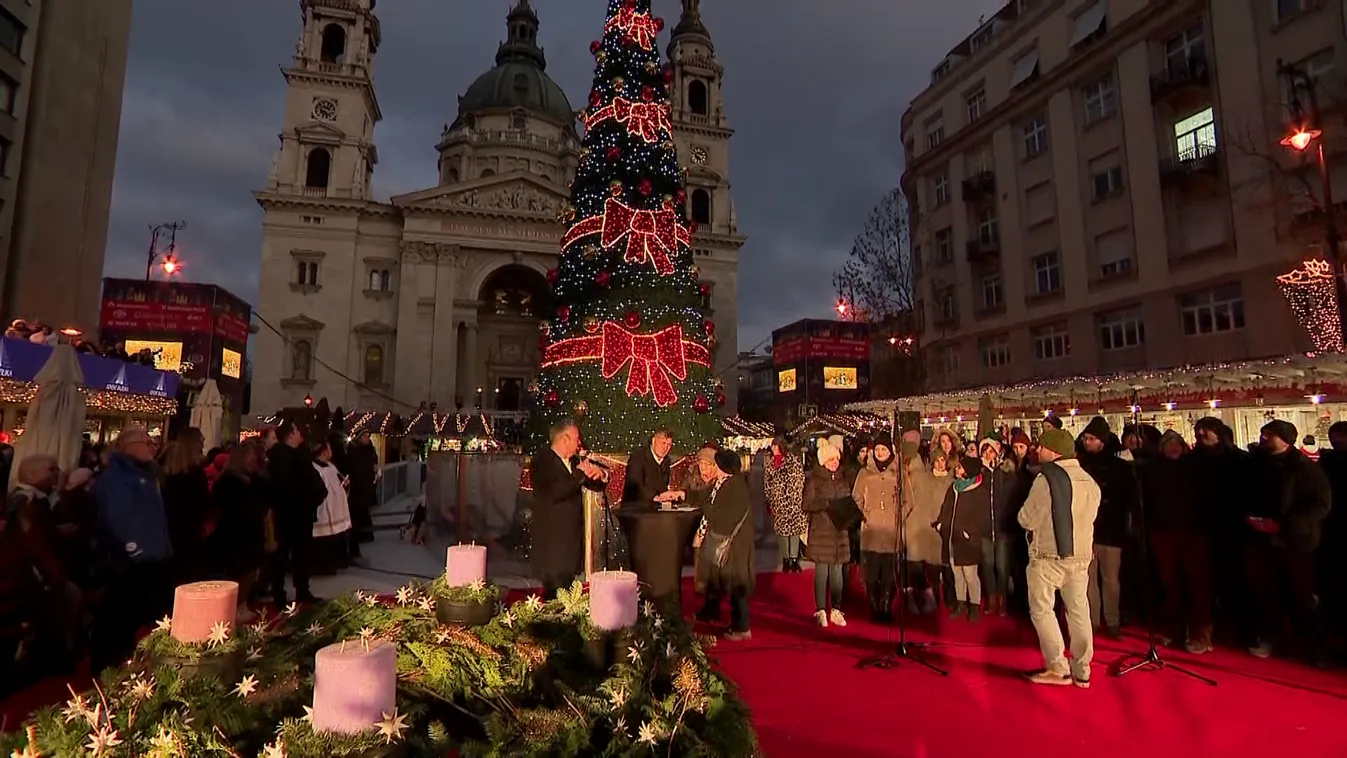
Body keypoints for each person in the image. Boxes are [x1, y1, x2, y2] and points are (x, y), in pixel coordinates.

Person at [1019, 428, 1101, 688]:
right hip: (1081, 556)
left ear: (1053, 451)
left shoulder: (1047, 479)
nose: (1037, 451)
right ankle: (1082, 668)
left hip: (1048, 556)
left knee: (1042, 608)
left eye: (1041, 446)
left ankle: (1057, 666)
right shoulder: (1089, 480)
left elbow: (1027, 518)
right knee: (1078, 610)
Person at [90, 427, 175, 674]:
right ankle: (109, 672)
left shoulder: (146, 475)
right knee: (119, 620)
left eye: (153, 441)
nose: (153, 446)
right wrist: (136, 552)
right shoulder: (118, 478)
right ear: (127, 446)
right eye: (145, 442)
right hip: (130, 563)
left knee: (139, 618)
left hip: (152, 559)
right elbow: (118, 520)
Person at [1246, 419, 1332, 661]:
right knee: (1266, 593)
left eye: (1269, 435)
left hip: (1296, 542)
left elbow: (1320, 505)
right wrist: (1250, 518)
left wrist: (1284, 525)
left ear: (1285, 440)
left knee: (1302, 595)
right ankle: (1273, 636)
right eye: (1263, 434)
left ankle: (1314, 645)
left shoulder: (1305, 469)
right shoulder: (1257, 464)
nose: (1263, 438)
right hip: (1261, 539)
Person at [1140, 430, 1212, 653]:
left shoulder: (1194, 468)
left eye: (1176, 444)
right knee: (1171, 582)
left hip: (1191, 533)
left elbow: (1206, 499)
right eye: (1168, 444)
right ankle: (1176, 626)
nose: (1173, 447)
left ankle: (1202, 631)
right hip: (1162, 533)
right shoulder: (1153, 470)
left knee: (1197, 583)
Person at [530, 419, 607, 598]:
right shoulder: (542, 461)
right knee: (555, 595)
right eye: (576, 438)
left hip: (571, 545)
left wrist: (600, 475)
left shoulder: (573, 462)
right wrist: (579, 473)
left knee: (568, 592)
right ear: (564, 439)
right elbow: (555, 492)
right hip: (552, 547)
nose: (579, 443)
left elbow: (591, 484)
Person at [1076, 416, 1136, 638]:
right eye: (1085, 438)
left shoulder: (1119, 466)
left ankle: (1112, 620)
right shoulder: (1081, 465)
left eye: (1091, 438)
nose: (1086, 442)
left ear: (1101, 440)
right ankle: (1091, 621)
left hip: (1111, 530)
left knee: (1111, 580)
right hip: (1086, 531)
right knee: (1089, 579)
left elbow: (1126, 499)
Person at [695, 449, 754, 641]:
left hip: (736, 545)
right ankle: (737, 623)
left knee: (738, 585)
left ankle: (742, 628)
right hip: (734, 545)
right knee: (733, 584)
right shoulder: (728, 483)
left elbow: (723, 519)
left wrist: (708, 509)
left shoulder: (735, 487)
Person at [208, 440, 269, 623]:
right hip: (235, 534)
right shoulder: (229, 481)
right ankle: (233, 607)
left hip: (250, 533)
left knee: (250, 572)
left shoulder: (254, 479)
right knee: (238, 573)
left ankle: (241, 604)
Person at [266, 420, 326, 606]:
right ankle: (279, 593)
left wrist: (316, 495)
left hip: (303, 512)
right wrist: (304, 498)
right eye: (297, 430)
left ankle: (302, 589)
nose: (301, 433)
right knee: (282, 556)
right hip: (288, 513)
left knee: (302, 554)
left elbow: (311, 479)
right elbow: (285, 486)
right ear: (290, 435)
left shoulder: (300, 455)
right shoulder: (280, 457)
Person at [802, 435, 851, 628]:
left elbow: (848, 499)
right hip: (821, 531)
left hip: (839, 532)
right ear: (824, 461)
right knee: (822, 571)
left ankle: (836, 609)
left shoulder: (842, 479)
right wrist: (826, 504)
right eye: (831, 459)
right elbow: (806, 503)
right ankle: (821, 609)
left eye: (837, 459)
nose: (835, 463)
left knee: (838, 572)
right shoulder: (814, 480)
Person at [935, 456, 991, 621]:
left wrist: (970, 532)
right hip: (952, 538)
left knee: (970, 574)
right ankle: (961, 602)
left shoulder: (979, 491)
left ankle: (974, 604)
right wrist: (941, 525)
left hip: (968, 541)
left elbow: (982, 517)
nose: (956, 469)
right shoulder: (953, 488)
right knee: (956, 573)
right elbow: (946, 508)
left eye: (960, 467)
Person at [853, 432, 899, 621]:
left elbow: (908, 500)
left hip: (890, 529)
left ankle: (886, 605)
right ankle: (873, 606)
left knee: (888, 571)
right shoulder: (865, 472)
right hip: (871, 528)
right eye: (878, 449)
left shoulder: (898, 472)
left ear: (890, 451)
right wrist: (863, 514)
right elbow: (856, 497)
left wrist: (898, 515)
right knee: (871, 572)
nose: (880, 452)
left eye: (884, 449)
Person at [903, 439, 950, 615]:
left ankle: (935, 600)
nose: (939, 463)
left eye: (942, 460)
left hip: (938, 530)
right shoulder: (923, 478)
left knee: (936, 568)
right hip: (919, 526)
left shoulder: (950, 482)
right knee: (916, 566)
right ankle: (916, 600)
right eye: (936, 460)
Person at [161, 427, 211, 583]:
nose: (203, 446)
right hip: (186, 531)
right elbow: (202, 502)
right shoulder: (193, 473)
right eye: (201, 442)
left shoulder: (168, 470)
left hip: (173, 530)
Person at [764, 435, 807, 573]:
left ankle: (793, 560)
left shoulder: (793, 461)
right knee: (782, 532)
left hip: (793, 502)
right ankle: (786, 559)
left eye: (776, 446)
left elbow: (800, 479)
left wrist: (795, 496)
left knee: (794, 532)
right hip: (779, 503)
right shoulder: (770, 464)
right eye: (772, 446)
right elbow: (767, 484)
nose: (774, 448)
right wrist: (771, 500)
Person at [310, 442, 353, 575]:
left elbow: (339, 479)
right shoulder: (314, 468)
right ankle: (322, 568)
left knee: (336, 539)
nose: (331, 452)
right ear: (323, 452)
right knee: (323, 542)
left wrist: (345, 484)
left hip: (336, 509)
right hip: (323, 510)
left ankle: (337, 563)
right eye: (329, 449)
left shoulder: (331, 466)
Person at [623, 428, 679, 504]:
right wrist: (654, 497)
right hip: (635, 509)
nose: (665, 448)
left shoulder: (666, 461)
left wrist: (669, 495)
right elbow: (635, 485)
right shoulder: (638, 457)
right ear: (653, 441)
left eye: (669, 445)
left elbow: (662, 487)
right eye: (663, 443)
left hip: (656, 508)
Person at [345, 430, 380, 555]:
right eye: (365, 436)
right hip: (356, 490)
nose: (367, 438)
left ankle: (362, 538)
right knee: (355, 518)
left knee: (362, 515)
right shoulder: (353, 450)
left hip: (366, 488)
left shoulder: (369, 449)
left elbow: (374, 460)